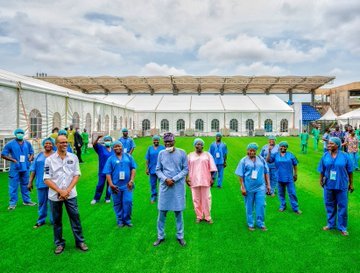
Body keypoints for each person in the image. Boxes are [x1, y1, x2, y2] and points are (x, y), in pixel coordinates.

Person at [44, 135, 88, 254]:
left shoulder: (73, 157)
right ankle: (59, 243)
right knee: (57, 221)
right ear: (56, 144)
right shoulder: (49, 160)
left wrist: (67, 190)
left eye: (66, 142)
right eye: (62, 143)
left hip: (70, 194)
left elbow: (76, 175)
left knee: (75, 218)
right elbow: (46, 179)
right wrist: (60, 191)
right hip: (55, 195)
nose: (64, 144)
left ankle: (80, 242)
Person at [153, 132, 188, 247]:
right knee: (162, 213)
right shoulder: (161, 154)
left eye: (170, 142)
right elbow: (158, 170)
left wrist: (174, 179)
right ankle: (160, 236)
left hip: (177, 187)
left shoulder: (182, 153)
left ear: (174, 141)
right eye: (166, 142)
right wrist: (165, 179)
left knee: (178, 213)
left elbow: (185, 169)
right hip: (165, 186)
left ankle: (180, 236)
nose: (168, 144)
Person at [317, 137, 354, 236]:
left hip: (341, 185)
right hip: (328, 184)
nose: (329, 145)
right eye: (328, 143)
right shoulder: (325, 156)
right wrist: (320, 180)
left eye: (331, 144)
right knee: (329, 204)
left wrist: (351, 183)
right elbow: (321, 169)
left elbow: (350, 171)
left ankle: (342, 227)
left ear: (337, 145)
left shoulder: (345, 156)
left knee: (343, 206)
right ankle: (330, 224)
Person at [235, 143, 270, 231]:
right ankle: (250, 223)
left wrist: (268, 185)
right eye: (249, 150)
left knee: (261, 205)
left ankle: (261, 223)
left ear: (256, 151)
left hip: (260, 187)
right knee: (249, 206)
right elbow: (240, 175)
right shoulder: (243, 161)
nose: (251, 152)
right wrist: (242, 187)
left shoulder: (261, 159)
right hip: (248, 187)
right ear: (247, 150)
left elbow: (266, 172)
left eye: (253, 150)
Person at [1, 128, 37, 210]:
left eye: (21, 133)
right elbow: (3, 155)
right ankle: (12, 203)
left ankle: (27, 201)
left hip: (25, 167)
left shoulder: (27, 143)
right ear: (15, 134)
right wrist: (13, 159)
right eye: (18, 133)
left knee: (25, 184)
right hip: (15, 168)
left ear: (23, 134)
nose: (20, 134)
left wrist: (30, 158)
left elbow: (32, 152)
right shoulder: (10, 144)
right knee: (13, 185)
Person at [103, 141, 136, 227]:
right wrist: (111, 185)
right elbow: (108, 173)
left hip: (127, 185)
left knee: (128, 202)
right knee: (117, 204)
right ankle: (120, 220)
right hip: (115, 186)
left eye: (119, 146)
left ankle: (127, 220)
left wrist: (131, 180)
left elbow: (133, 169)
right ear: (113, 148)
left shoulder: (129, 157)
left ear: (122, 146)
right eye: (115, 147)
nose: (118, 148)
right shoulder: (110, 159)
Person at [187, 138, 217, 224]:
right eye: (197, 144)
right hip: (194, 180)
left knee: (207, 199)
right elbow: (186, 168)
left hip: (205, 180)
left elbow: (213, 168)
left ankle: (207, 216)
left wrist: (212, 178)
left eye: (200, 144)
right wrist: (187, 178)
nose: (199, 145)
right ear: (194, 145)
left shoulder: (207, 155)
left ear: (203, 145)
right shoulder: (190, 155)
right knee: (196, 199)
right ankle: (199, 216)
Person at [267, 141, 302, 214]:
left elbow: (295, 165)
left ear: (286, 147)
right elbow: (269, 161)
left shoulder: (291, 155)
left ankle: (295, 208)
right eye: (281, 146)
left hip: (289, 178)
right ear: (279, 147)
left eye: (284, 146)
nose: (283, 147)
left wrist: (295, 174)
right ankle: (283, 206)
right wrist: (269, 151)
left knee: (292, 193)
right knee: (281, 193)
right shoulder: (275, 155)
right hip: (279, 177)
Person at [28, 137, 55, 228]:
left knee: (53, 203)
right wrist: (30, 182)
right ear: (43, 144)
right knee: (42, 203)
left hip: (54, 184)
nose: (48, 145)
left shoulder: (56, 155)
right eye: (46, 143)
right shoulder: (39, 156)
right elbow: (33, 169)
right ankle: (41, 220)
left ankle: (54, 221)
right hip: (41, 183)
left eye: (50, 143)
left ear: (53, 144)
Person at [90, 135, 113, 204]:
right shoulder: (100, 148)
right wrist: (97, 138)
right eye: (106, 140)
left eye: (108, 140)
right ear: (104, 141)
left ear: (111, 141)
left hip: (111, 171)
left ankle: (108, 198)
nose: (107, 142)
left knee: (110, 185)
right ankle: (96, 198)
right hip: (102, 170)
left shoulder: (113, 150)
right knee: (100, 184)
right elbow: (94, 144)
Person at [145, 135, 165, 203]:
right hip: (152, 168)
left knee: (162, 184)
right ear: (153, 141)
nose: (156, 141)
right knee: (153, 184)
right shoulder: (150, 148)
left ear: (159, 140)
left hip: (161, 169)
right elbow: (147, 159)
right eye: (154, 140)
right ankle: (153, 196)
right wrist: (147, 168)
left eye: (157, 140)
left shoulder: (162, 148)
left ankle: (162, 197)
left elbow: (166, 158)